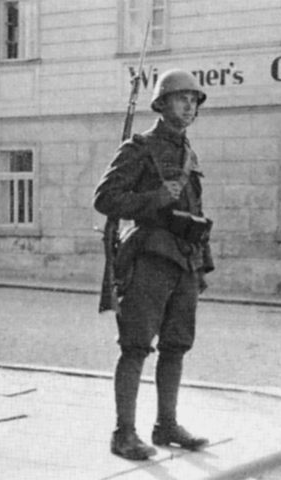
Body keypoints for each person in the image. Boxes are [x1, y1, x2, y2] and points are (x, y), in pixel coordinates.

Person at [93, 69, 213, 460]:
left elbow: (195, 208)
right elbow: (106, 198)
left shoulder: (188, 151)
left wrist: (202, 264)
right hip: (150, 257)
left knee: (176, 346)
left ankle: (166, 424)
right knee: (136, 346)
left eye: (194, 100)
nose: (189, 106)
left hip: (185, 261)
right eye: (182, 98)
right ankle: (123, 433)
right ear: (161, 103)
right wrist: (156, 197)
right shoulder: (140, 147)